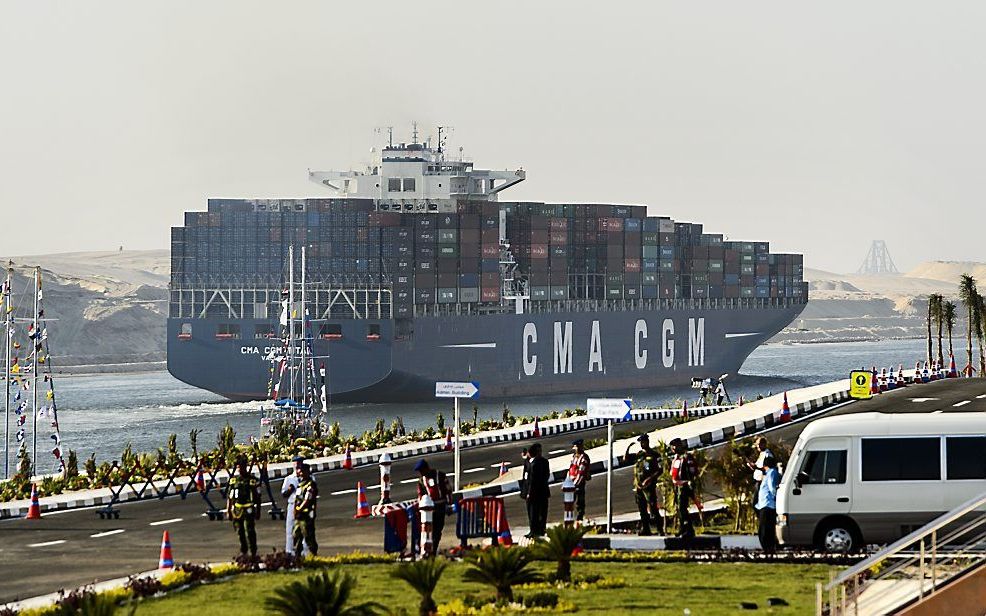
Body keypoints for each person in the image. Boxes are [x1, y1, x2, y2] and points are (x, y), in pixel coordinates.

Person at [414, 459, 453, 555]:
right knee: (428, 530)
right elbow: (420, 495)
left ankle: (433, 550)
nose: (421, 473)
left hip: (440, 506)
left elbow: (448, 490)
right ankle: (427, 550)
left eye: (422, 471)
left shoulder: (440, 475)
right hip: (428, 509)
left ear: (426, 468)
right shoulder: (421, 481)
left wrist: (449, 504)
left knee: (437, 530)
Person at [226, 455, 261, 557]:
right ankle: (243, 551)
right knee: (239, 531)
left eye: (241, 466)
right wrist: (228, 510)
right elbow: (230, 497)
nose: (239, 468)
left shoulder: (252, 480)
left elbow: (257, 497)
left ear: (245, 466)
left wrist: (258, 511)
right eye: (237, 466)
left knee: (249, 531)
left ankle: (253, 552)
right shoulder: (233, 480)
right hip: (237, 510)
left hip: (248, 509)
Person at [632, 434, 663, 536]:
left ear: (647, 442)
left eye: (644, 442)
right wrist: (628, 448)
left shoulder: (654, 455)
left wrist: (650, 479)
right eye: (641, 442)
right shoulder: (639, 455)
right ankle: (646, 529)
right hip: (639, 487)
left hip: (649, 487)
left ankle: (660, 529)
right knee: (642, 509)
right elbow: (625, 458)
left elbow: (659, 470)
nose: (642, 444)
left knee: (653, 508)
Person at [669, 438, 698, 540]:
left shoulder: (686, 457)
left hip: (684, 486)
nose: (673, 448)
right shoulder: (676, 458)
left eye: (675, 445)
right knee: (679, 509)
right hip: (677, 486)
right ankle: (682, 528)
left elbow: (693, 471)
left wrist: (690, 482)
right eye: (672, 446)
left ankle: (689, 529)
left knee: (682, 508)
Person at [755, 456, 781, 554]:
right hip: (765, 504)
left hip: (768, 504)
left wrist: (776, 496)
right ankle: (768, 548)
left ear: (765, 465)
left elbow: (772, 488)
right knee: (766, 528)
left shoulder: (771, 472)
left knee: (765, 529)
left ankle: (767, 548)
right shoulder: (771, 473)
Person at [292, 463, 319, 557]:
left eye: (302, 470)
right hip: (299, 516)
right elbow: (297, 499)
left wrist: (299, 509)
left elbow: (308, 500)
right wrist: (295, 511)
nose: (300, 472)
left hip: (306, 515)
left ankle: (313, 556)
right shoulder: (300, 485)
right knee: (296, 536)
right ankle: (297, 556)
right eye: (299, 470)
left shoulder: (310, 485)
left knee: (309, 536)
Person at [280, 456, 305, 554]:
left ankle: (304, 551)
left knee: (304, 528)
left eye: (300, 463)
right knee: (290, 529)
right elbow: (283, 494)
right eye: (296, 464)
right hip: (292, 505)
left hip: (303, 505)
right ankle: (289, 551)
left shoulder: (308, 477)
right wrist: (290, 490)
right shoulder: (289, 479)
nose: (298, 466)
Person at [525, 443, 550, 537]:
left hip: (535, 493)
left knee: (534, 513)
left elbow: (532, 480)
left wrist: (529, 493)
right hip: (542, 491)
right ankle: (539, 530)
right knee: (539, 513)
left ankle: (535, 531)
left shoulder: (535, 464)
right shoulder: (540, 462)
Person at [568, 439, 591, 521]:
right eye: (575, 447)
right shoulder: (574, 457)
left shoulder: (583, 458)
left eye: (577, 447)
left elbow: (581, 473)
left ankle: (579, 518)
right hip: (571, 482)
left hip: (578, 484)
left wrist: (575, 484)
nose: (576, 449)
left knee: (579, 502)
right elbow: (571, 469)